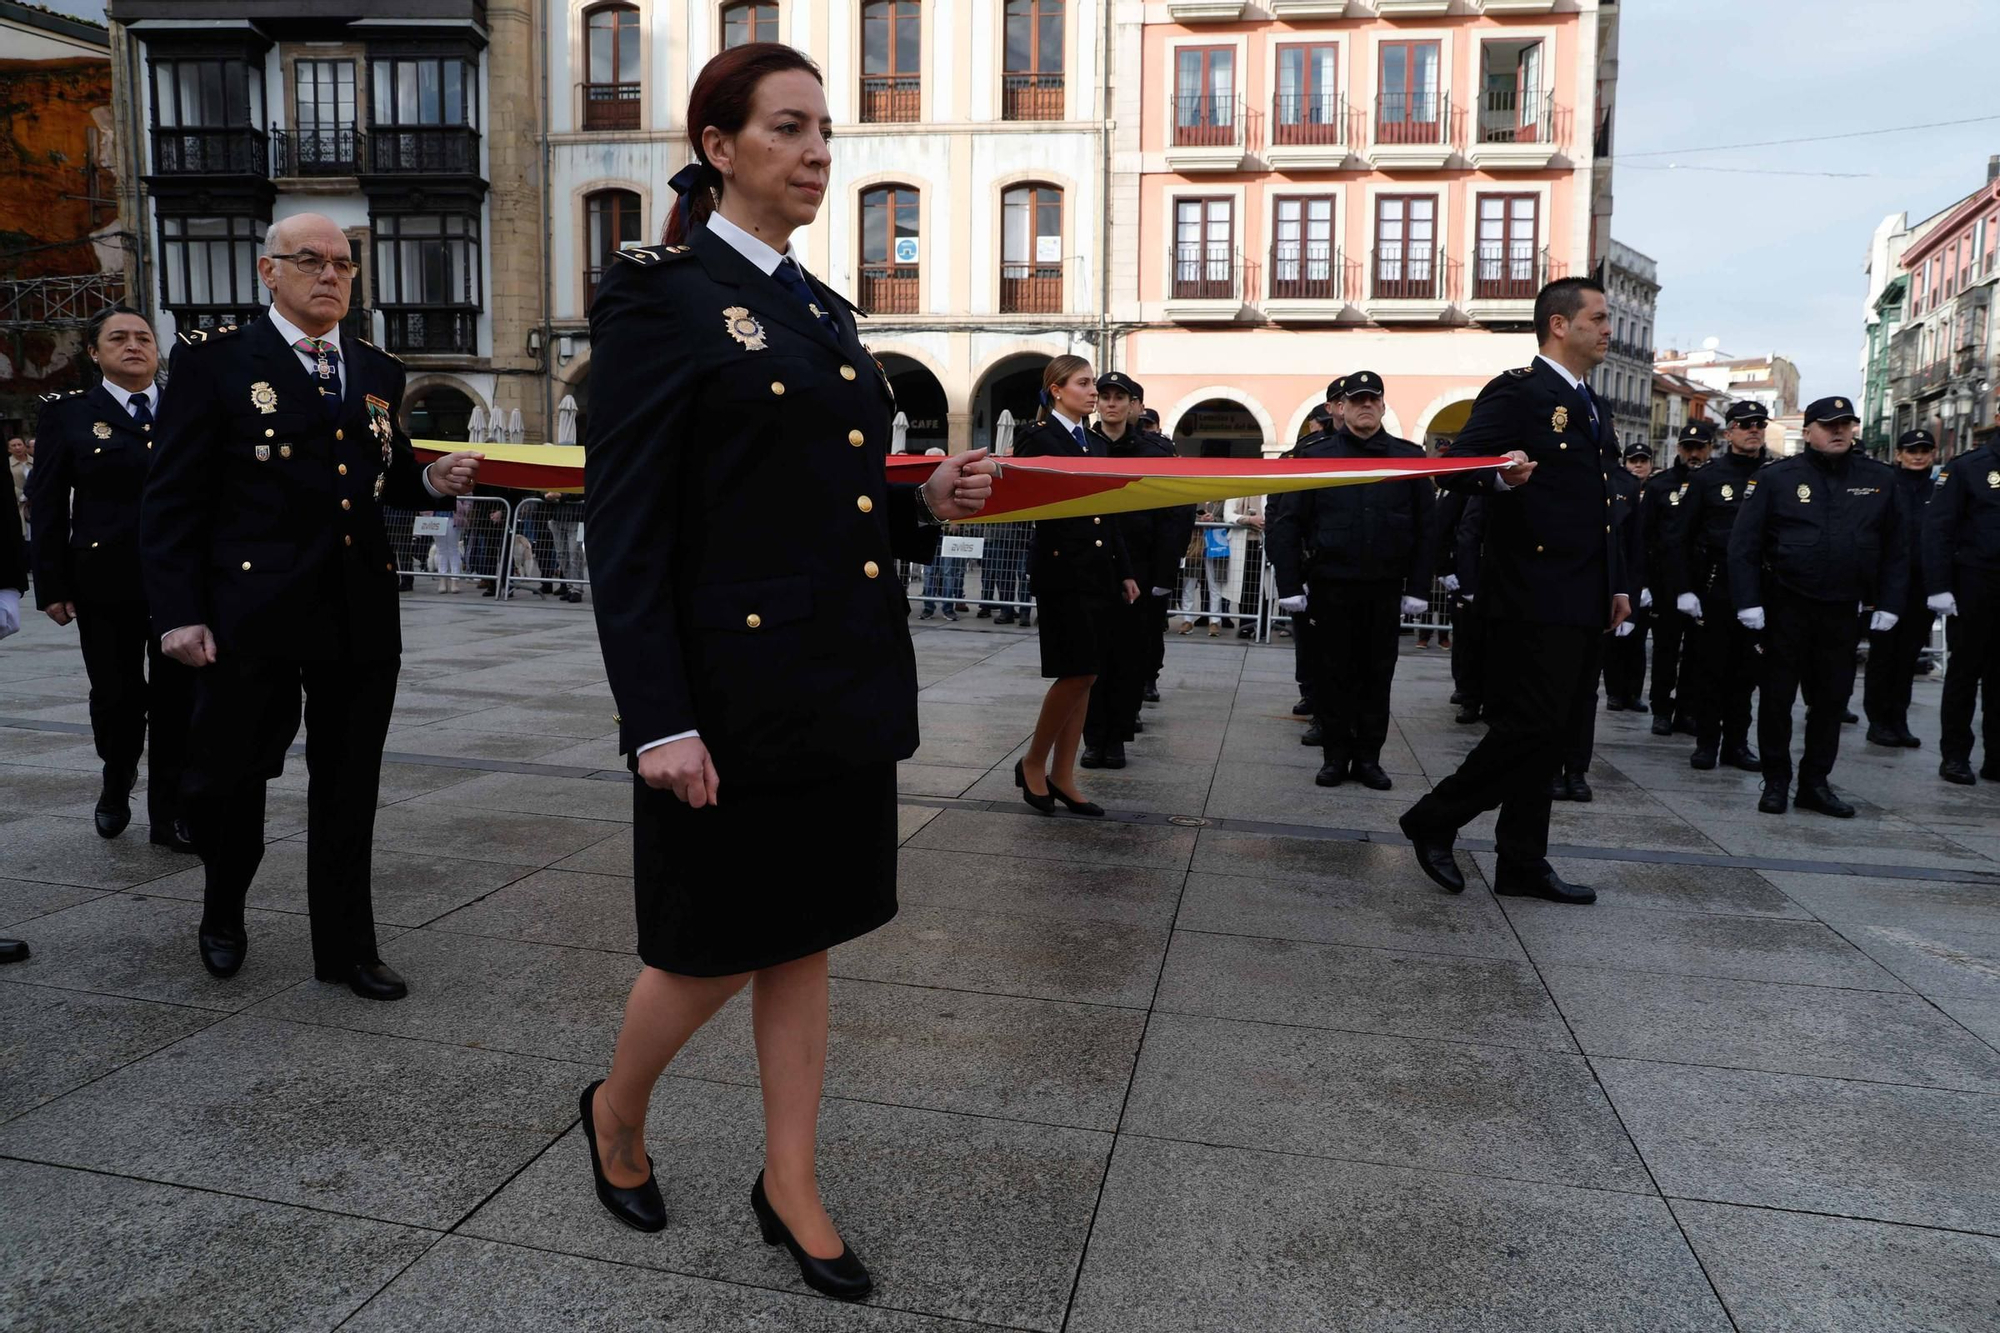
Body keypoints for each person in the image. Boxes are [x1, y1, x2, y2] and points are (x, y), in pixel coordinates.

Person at [576, 44, 996, 1297]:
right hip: (726, 690)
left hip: (837, 676)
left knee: (807, 935)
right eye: (788, 128)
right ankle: (613, 1108)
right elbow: (629, 524)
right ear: (718, 145)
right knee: (705, 946)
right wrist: (656, 720)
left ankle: (789, 1178)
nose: (818, 153)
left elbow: (817, 498)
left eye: (826, 132)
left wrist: (922, 501)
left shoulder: (822, 308)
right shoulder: (658, 295)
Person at [141, 212, 485, 994]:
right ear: (270, 272)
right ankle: (223, 907)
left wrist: (433, 480)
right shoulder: (217, 362)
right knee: (232, 776)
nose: (331, 274)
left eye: (343, 263)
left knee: (349, 783)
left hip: (357, 607)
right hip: (249, 611)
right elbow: (172, 499)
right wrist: (177, 613)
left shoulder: (375, 368)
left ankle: (347, 948)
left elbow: (378, 474)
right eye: (311, 260)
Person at [1398, 277, 1631, 906]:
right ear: (1561, 325)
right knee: (1531, 725)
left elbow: (1602, 505)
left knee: (1556, 733)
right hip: (1532, 588)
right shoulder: (1519, 392)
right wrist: (1502, 479)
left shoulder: (1592, 405)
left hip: (1583, 591)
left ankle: (1523, 860)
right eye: (1600, 317)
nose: (1610, 328)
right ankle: (1434, 817)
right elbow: (1463, 464)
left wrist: (1616, 584)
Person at [26, 308, 197, 850]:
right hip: (106, 581)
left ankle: (169, 812)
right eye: (117, 338)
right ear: (94, 354)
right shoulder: (71, 414)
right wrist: (51, 583)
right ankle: (117, 774)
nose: (133, 346)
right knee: (118, 698)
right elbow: (47, 501)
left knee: (180, 699)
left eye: (143, 338)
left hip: (181, 582)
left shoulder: (188, 409)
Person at [1727, 397, 1906, 817]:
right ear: (1808, 432)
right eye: (1829, 425)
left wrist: (1890, 601)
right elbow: (1744, 545)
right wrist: (1749, 602)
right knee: (1776, 698)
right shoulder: (1777, 477)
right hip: (1786, 602)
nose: (1839, 431)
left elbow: (1899, 547)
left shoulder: (1879, 479)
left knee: (1830, 700)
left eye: (1846, 424)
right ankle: (1775, 781)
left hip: (1842, 607)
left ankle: (1815, 783)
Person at [1268, 370, 1435, 790]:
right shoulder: (1316, 457)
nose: (1365, 406)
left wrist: (1417, 587)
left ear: (1382, 406)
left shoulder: (1408, 458)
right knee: (1332, 675)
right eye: (1356, 400)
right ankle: (1335, 756)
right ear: (1340, 407)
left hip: (1383, 587)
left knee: (1377, 676)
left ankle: (1368, 759)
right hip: (1330, 585)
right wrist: (1289, 584)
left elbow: (1425, 528)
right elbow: (1289, 522)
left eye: (1372, 400)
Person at [1013, 355, 1137, 813]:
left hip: (1099, 570)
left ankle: (1062, 774)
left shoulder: (1097, 445)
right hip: (1063, 570)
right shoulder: (1036, 438)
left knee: (1087, 675)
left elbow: (1111, 510)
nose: (1093, 392)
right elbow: (1032, 501)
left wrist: (1124, 569)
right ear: (1057, 390)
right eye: (1084, 383)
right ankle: (1032, 762)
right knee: (1077, 671)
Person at [1081, 372, 1189, 769]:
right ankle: (1094, 738)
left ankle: (1118, 736)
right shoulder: (1082, 448)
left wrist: (1164, 576)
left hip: (1140, 571)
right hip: (1092, 569)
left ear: (1132, 405)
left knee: (1130, 658)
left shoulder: (1155, 453)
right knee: (1092, 660)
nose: (1111, 403)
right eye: (1104, 396)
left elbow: (1175, 517)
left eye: (1119, 397)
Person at [1669, 401, 1769, 773]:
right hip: (1717, 583)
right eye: (1745, 425)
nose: (1753, 430)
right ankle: (1707, 742)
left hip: (1761, 585)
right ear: (1729, 433)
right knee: (1711, 669)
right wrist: (1684, 588)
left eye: (1759, 424)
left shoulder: (1777, 474)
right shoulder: (1707, 477)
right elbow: (1679, 537)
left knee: (1748, 672)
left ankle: (1737, 744)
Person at [1923, 423, 2000, 784]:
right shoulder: (1970, 466)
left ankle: (1997, 757)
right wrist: (1939, 586)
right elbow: (1938, 528)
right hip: (1975, 583)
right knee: (1965, 674)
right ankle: (1955, 755)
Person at [1863, 428, 1937, 750]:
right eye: (1911, 450)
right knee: (1883, 655)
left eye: (1924, 450)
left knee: (1908, 656)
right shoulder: (1884, 485)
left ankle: (1899, 719)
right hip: (1886, 583)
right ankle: (1878, 721)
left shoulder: (1940, 489)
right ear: (1899, 454)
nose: (1918, 456)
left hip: (1921, 583)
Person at [1643, 421, 1713, 735]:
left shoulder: (1714, 483)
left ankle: (1688, 710)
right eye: (1688, 448)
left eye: (1700, 448)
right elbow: (1644, 536)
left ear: (1710, 448)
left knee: (1699, 653)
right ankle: (1661, 708)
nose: (1694, 454)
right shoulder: (1660, 485)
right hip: (1666, 580)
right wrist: (1642, 582)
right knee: (1666, 649)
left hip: (1705, 580)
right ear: (1679, 449)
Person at [1601, 445, 1655, 712]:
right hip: (1615, 567)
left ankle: (1633, 692)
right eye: (1634, 460)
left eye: (1643, 461)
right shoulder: (1615, 482)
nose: (1638, 465)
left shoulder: (1637, 487)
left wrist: (1644, 583)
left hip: (1638, 572)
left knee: (1637, 639)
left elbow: (1640, 540)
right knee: (1613, 640)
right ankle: (1614, 691)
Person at [1134, 404, 1180, 698]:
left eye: (1149, 425)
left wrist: (1168, 568)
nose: (1145, 429)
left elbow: (1177, 515)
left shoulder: (1163, 451)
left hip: (1153, 559)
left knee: (1152, 627)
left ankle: (1149, 678)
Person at [1441, 492, 1487, 724]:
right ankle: (1470, 696)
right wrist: (1446, 569)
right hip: (1472, 573)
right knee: (1468, 639)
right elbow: (1454, 529)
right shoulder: (1471, 488)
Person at [7, 436, 28, 536]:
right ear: (9, 449)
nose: (17, 448)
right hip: (18, 504)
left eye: (19, 445)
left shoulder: (36, 461)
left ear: (25, 446)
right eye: (13, 446)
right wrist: (23, 495)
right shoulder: (7, 465)